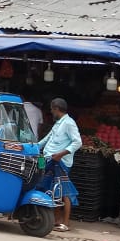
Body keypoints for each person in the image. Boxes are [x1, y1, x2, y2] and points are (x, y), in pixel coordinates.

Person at [37, 97, 83, 232]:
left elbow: (78, 142)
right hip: (49, 160)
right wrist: (33, 147)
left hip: (61, 162)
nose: (51, 112)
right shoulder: (58, 123)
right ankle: (56, 220)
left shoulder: (69, 123)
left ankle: (66, 222)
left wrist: (61, 154)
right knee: (53, 189)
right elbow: (47, 139)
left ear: (56, 109)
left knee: (65, 191)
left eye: (51, 109)